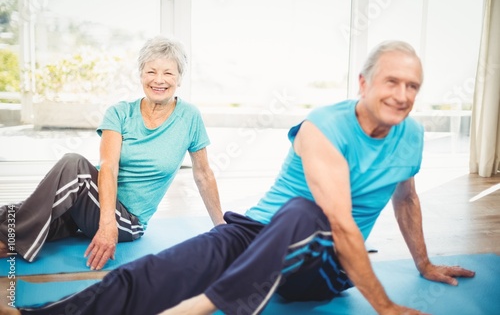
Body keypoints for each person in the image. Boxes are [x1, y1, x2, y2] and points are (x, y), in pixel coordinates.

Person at [1, 40, 475, 315]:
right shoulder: (323, 128)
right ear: (365, 84)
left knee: (304, 211)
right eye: (392, 81)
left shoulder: (411, 137)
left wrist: (421, 266)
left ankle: (206, 304)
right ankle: (37, 314)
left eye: (412, 85)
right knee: (148, 272)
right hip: (254, 232)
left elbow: (401, 201)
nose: (402, 93)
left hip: (322, 263)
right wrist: (220, 230)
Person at [0, 36, 224, 271]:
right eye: (151, 72)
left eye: (168, 73)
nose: (159, 80)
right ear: (141, 75)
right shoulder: (120, 113)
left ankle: (12, 241)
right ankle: (13, 233)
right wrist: (105, 221)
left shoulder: (190, 118)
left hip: (127, 222)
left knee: (74, 165)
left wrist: (222, 227)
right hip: (92, 207)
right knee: (11, 214)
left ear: (179, 78)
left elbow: (203, 174)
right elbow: (108, 166)